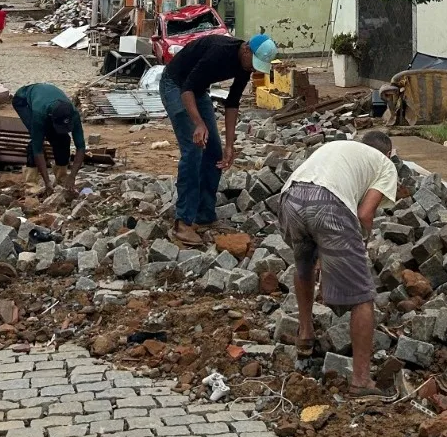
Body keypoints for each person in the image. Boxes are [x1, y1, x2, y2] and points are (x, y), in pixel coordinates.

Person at [280, 131, 399, 396]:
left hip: (290, 199)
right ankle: (361, 380)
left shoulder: (340, 147)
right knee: (362, 296)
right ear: (388, 153)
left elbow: (319, 189)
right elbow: (364, 214)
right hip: (328, 205)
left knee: (304, 266)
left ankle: (305, 336)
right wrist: (361, 245)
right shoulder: (385, 164)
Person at [160, 32, 278, 246]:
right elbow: (186, 88)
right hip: (175, 84)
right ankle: (183, 223)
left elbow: (232, 103)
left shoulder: (245, 66)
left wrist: (230, 145)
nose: (253, 69)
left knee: (214, 151)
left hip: (197, 89)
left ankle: (204, 215)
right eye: (254, 63)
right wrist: (198, 123)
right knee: (194, 148)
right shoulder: (220, 51)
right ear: (246, 50)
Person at [12, 83, 86, 196]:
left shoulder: (73, 113)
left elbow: (80, 147)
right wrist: (47, 183)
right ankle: (31, 184)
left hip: (46, 100)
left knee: (63, 139)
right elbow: (38, 150)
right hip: (22, 101)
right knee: (37, 139)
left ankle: (61, 178)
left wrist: (72, 176)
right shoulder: (39, 113)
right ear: (51, 116)